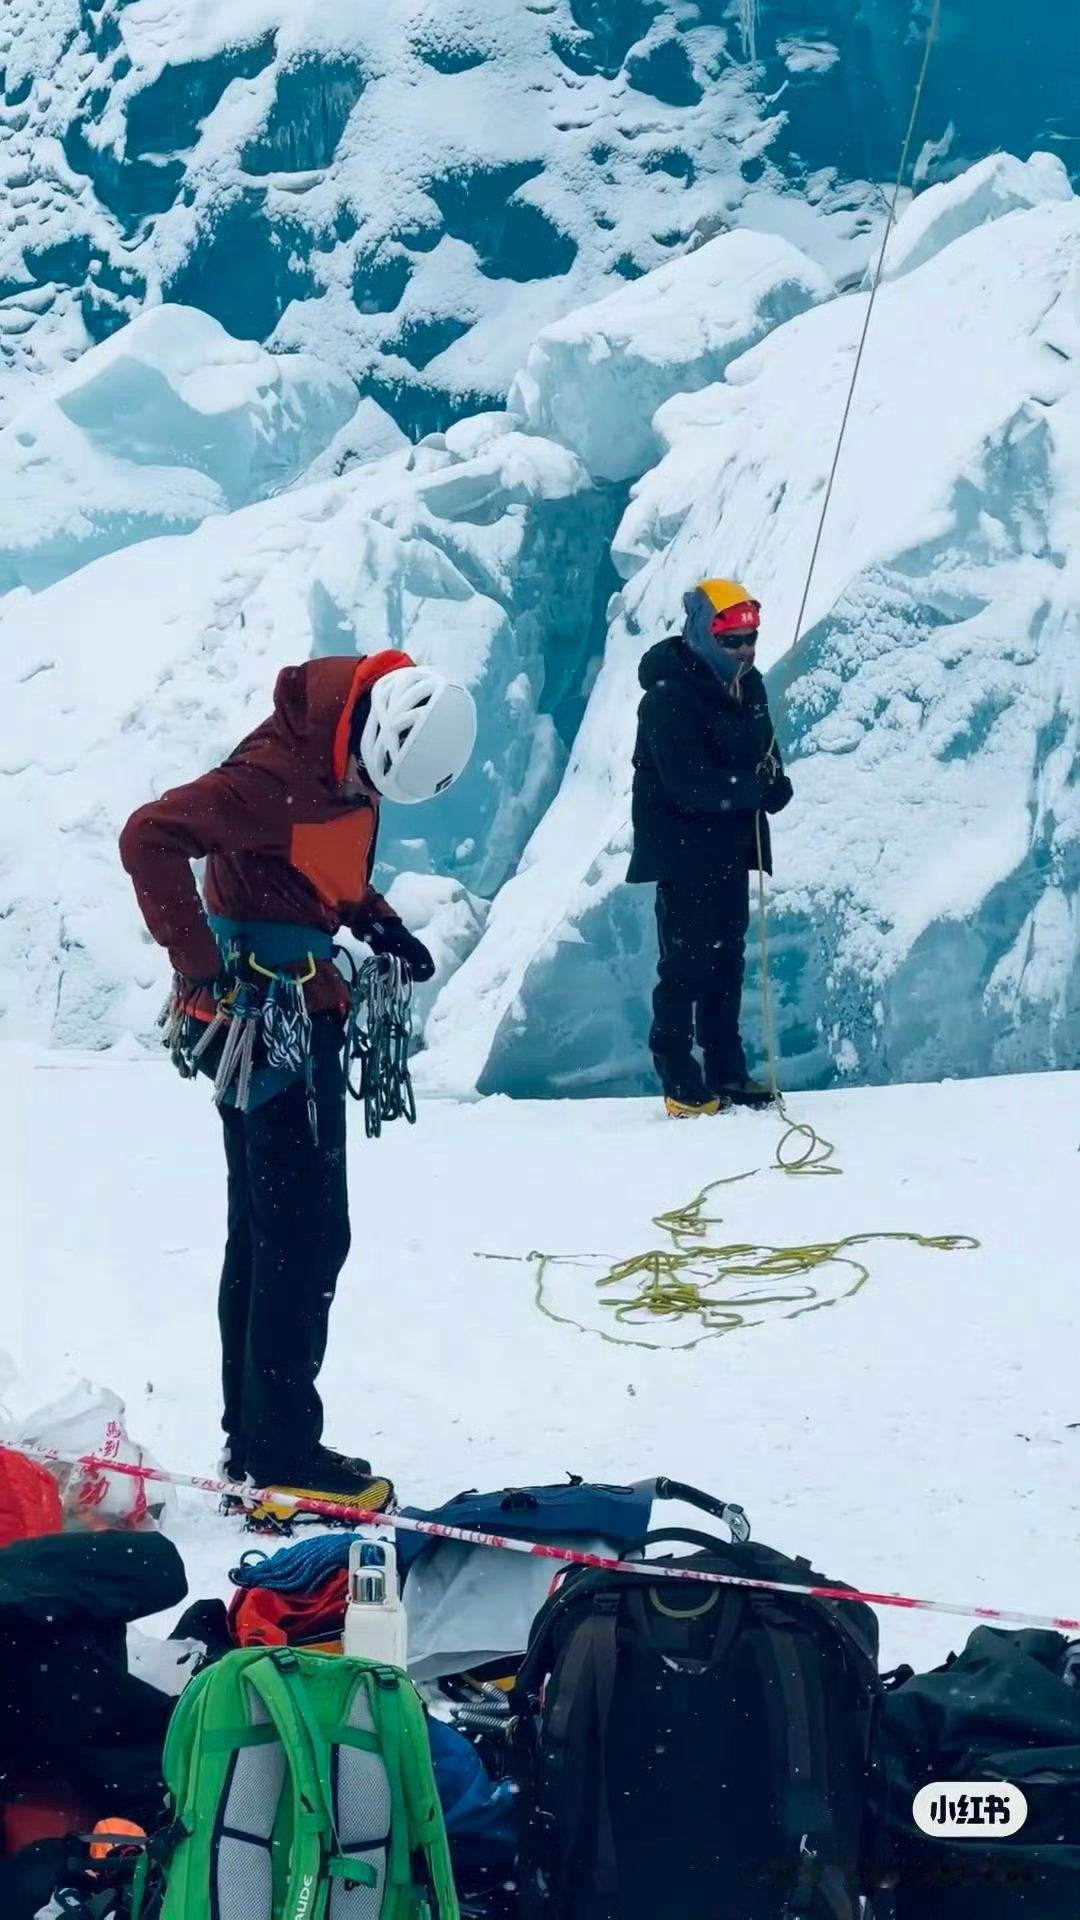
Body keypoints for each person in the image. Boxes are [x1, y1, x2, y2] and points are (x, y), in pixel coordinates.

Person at [120, 653, 477, 1503]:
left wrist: (375, 919)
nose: (366, 793)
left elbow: (314, 852)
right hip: (268, 1017)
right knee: (303, 1237)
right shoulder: (275, 773)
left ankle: (257, 1443)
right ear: (364, 731)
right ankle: (280, 1456)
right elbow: (148, 837)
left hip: (277, 1017)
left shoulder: (337, 752)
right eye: (366, 778)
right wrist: (200, 965)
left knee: (269, 1232)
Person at [626, 579, 793, 1117]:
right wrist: (753, 789)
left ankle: (727, 1070)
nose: (745, 649)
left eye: (750, 638)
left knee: (727, 961)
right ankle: (678, 1076)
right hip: (681, 848)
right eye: (732, 639)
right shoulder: (667, 698)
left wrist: (776, 781)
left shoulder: (751, 686)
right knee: (685, 963)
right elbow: (685, 780)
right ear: (703, 633)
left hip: (728, 844)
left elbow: (762, 751)